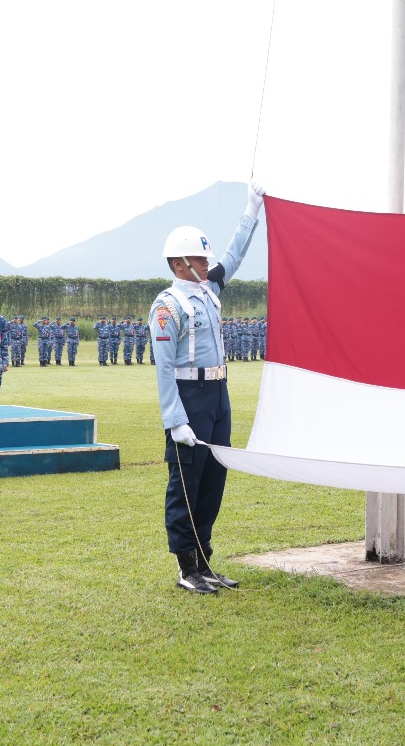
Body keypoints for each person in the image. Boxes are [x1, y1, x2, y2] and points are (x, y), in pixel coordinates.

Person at [150, 180, 265, 594]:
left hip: (218, 395)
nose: (206, 263)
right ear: (179, 264)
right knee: (187, 483)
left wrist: (251, 211)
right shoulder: (167, 306)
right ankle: (186, 567)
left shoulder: (208, 290)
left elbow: (233, 256)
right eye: (199, 258)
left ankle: (204, 561)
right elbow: (164, 369)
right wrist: (175, 419)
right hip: (190, 397)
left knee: (214, 480)